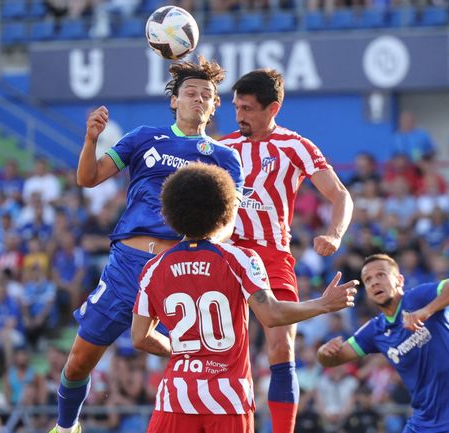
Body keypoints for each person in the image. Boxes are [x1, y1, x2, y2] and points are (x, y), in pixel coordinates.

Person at [49, 56, 245, 433]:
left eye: (207, 95)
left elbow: (228, 221)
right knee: (77, 362)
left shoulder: (225, 158)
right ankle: (66, 426)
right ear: (174, 100)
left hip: (181, 266)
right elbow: (87, 178)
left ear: (216, 104)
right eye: (190, 93)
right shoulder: (143, 137)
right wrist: (91, 139)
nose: (199, 99)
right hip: (129, 264)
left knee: (199, 361)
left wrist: (199, 250)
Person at [131, 163, 358, 433]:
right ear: (223, 210)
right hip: (228, 401)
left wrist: (184, 353)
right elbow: (271, 315)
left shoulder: (154, 268)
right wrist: (322, 304)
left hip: (176, 399)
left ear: (170, 212)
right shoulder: (240, 258)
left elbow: (140, 337)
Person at [219, 68, 353, 433]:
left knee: (280, 348)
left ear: (272, 108)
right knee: (224, 350)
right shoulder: (224, 147)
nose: (239, 116)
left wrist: (335, 234)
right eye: (236, 107)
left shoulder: (297, 146)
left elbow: (340, 195)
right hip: (227, 253)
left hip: (271, 256)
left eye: (247, 108)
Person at [317, 253, 449, 433]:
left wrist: (426, 311)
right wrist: (324, 352)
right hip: (422, 422)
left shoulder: (418, 297)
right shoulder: (374, 330)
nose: (374, 282)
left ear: (399, 280)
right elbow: (332, 359)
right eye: (367, 280)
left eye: (381, 275)